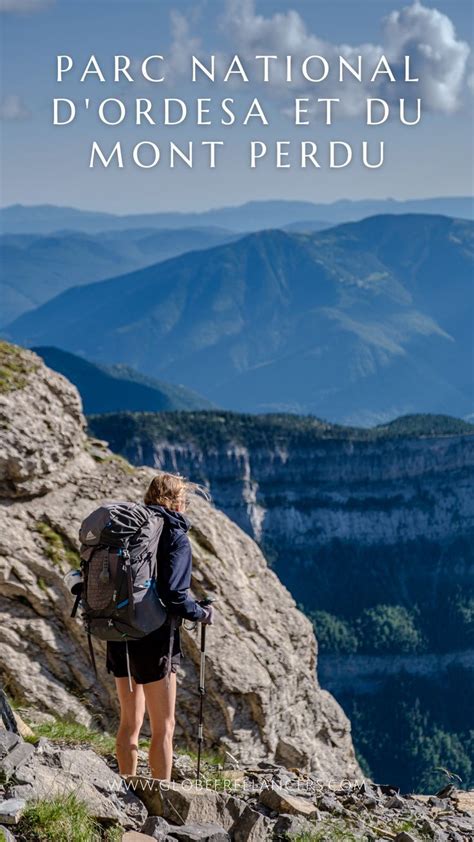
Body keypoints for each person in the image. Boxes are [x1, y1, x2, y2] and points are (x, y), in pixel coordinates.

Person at [105, 473, 214, 780]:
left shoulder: (129, 528)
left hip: (119, 630)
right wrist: (201, 613)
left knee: (130, 723)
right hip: (154, 638)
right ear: (177, 502)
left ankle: (124, 788)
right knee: (163, 727)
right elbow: (175, 596)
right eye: (186, 501)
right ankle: (159, 800)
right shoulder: (174, 534)